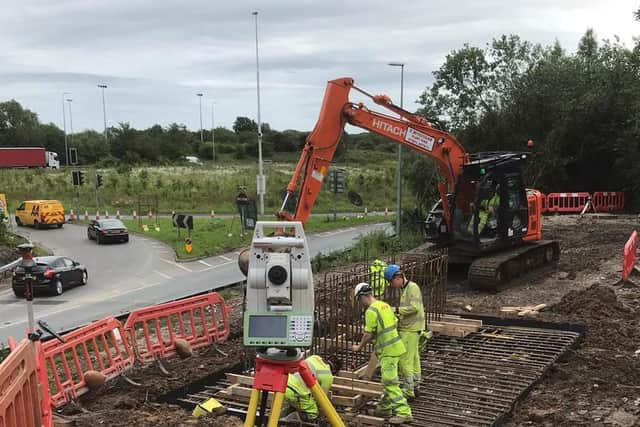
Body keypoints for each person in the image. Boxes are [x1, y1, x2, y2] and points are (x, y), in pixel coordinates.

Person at [350, 283, 413, 425]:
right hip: (396, 347)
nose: (359, 303)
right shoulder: (385, 305)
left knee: (390, 382)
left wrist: (359, 347)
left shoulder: (371, 311)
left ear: (362, 296)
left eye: (358, 300)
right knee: (388, 380)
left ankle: (404, 413)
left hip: (388, 351)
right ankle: (384, 408)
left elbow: (368, 334)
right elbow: (394, 323)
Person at [384, 264, 425, 400]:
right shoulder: (405, 289)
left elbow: (414, 308)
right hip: (411, 327)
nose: (391, 285)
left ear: (398, 277)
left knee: (404, 359)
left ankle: (408, 390)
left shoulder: (412, 288)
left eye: (391, 281)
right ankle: (416, 384)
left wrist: (396, 310)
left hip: (411, 329)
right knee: (413, 358)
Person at [281, 354, 342, 423]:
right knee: (312, 414)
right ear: (334, 370)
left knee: (299, 405)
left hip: (284, 383)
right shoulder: (328, 376)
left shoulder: (314, 357)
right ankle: (284, 422)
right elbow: (321, 399)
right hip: (296, 391)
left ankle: (278, 418)